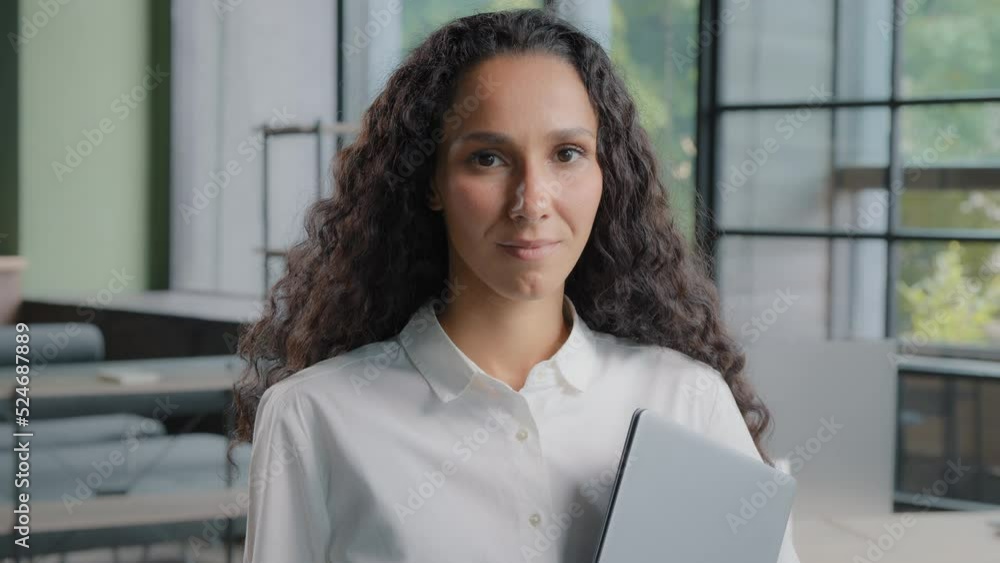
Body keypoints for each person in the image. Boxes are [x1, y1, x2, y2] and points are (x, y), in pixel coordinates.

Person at [232, 8, 801, 563]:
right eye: (488, 158)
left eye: (567, 154)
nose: (532, 201)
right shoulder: (313, 417)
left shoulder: (687, 400)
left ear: (608, 174)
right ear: (430, 181)